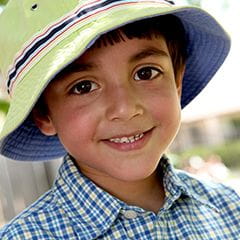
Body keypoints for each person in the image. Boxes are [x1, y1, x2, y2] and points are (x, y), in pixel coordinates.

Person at [0, 0, 239, 239]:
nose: (125, 109)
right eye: (84, 87)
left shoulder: (230, 210)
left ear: (177, 82)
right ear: (43, 114)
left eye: (146, 72)